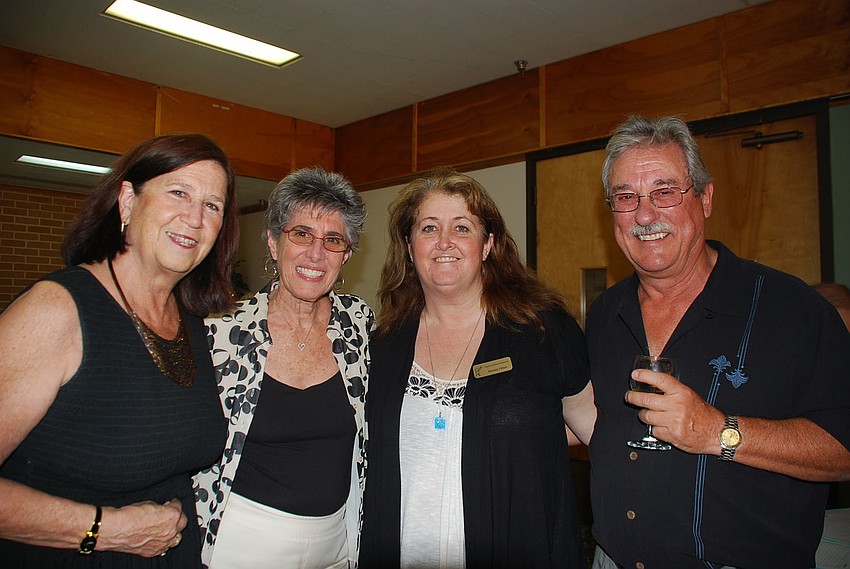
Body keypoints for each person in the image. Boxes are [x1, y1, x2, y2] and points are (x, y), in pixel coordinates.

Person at [586, 115, 850, 569]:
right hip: (613, 558)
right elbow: (597, 419)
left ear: (705, 198)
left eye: (665, 192)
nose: (645, 215)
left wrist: (719, 432)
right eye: (626, 197)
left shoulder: (791, 308)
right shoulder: (606, 313)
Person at [0, 133, 239, 567]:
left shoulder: (189, 323)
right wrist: (102, 529)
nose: (194, 218)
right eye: (178, 192)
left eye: (212, 205)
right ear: (128, 201)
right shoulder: (57, 310)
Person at [360, 167, 596, 568]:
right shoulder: (383, 343)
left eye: (462, 228)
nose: (444, 242)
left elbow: (591, 428)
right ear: (409, 244)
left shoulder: (543, 328)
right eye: (429, 228)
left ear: (488, 244)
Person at [194, 167, 374, 569]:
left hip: (337, 543)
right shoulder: (222, 329)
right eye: (301, 234)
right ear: (274, 242)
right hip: (244, 541)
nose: (316, 254)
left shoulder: (359, 324)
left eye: (332, 240)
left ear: (346, 254)